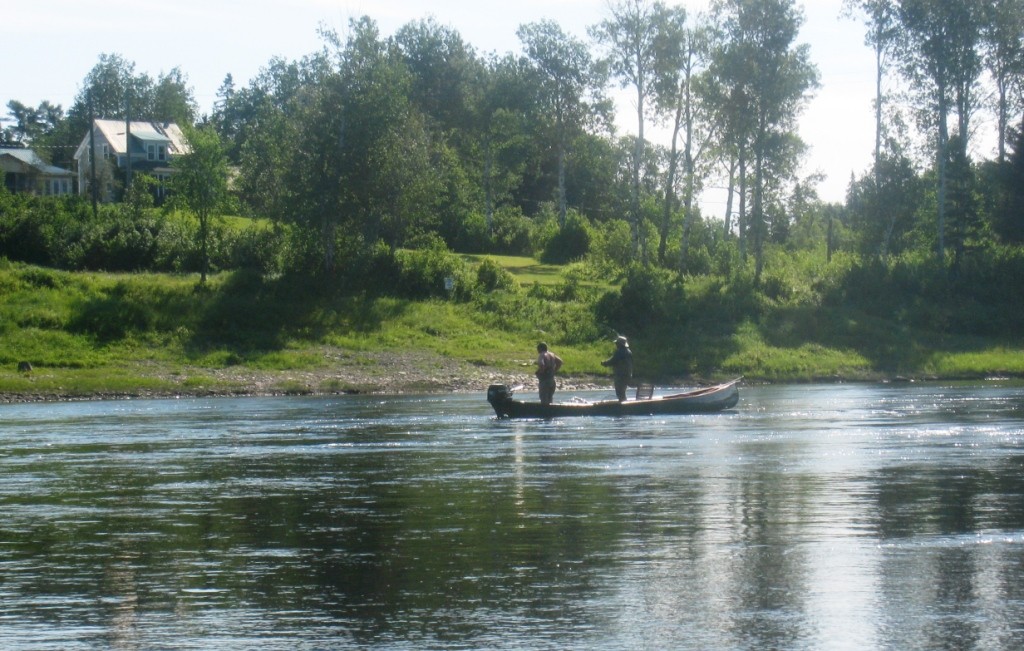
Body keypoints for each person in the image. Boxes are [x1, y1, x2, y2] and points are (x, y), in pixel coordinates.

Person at [601, 335, 633, 401]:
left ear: (619, 344)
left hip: (620, 375)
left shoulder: (619, 352)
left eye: (617, 343)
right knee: (623, 392)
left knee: (619, 392)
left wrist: (604, 363)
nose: (616, 344)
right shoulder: (629, 351)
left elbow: (613, 360)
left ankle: (622, 406)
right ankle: (624, 404)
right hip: (628, 375)